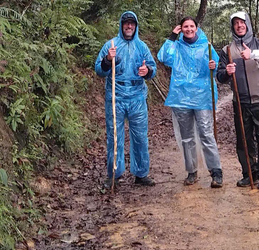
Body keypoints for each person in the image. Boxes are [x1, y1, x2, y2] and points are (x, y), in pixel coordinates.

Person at [216, 11, 259, 191]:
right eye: (236, 23)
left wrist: (253, 54)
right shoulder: (227, 50)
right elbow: (220, 77)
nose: (239, 26)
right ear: (232, 27)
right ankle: (249, 174)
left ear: (248, 24)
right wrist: (226, 72)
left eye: (242, 22)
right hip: (240, 102)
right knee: (244, 141)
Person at [158, 17, 223, 188]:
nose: (188, 29)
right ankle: (191, 171)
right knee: (187, 137)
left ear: (196, 28)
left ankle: (216, 172)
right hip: (181, 97)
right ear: (181, 28)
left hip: (202, 96)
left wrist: (213, 66)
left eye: (191, 26)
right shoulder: (176, 46)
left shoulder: (206, 46)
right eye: (185, 26)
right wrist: (172, 36)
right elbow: (164, 57)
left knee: (206, 134)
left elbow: (217, 67)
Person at [94, 11, 157, 187]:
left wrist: (148, 72)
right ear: (121, 25)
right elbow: (99, 70)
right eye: (126, 23)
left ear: (136, 26)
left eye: (132, 23)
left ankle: (141, 173)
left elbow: (153, 68)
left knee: (140, 137)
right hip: (116, 96)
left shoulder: (142, 47)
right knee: (115, 136)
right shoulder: (111, 45)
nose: (129, 26)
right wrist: (108, 59)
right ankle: (114, 173)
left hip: (137, 96)